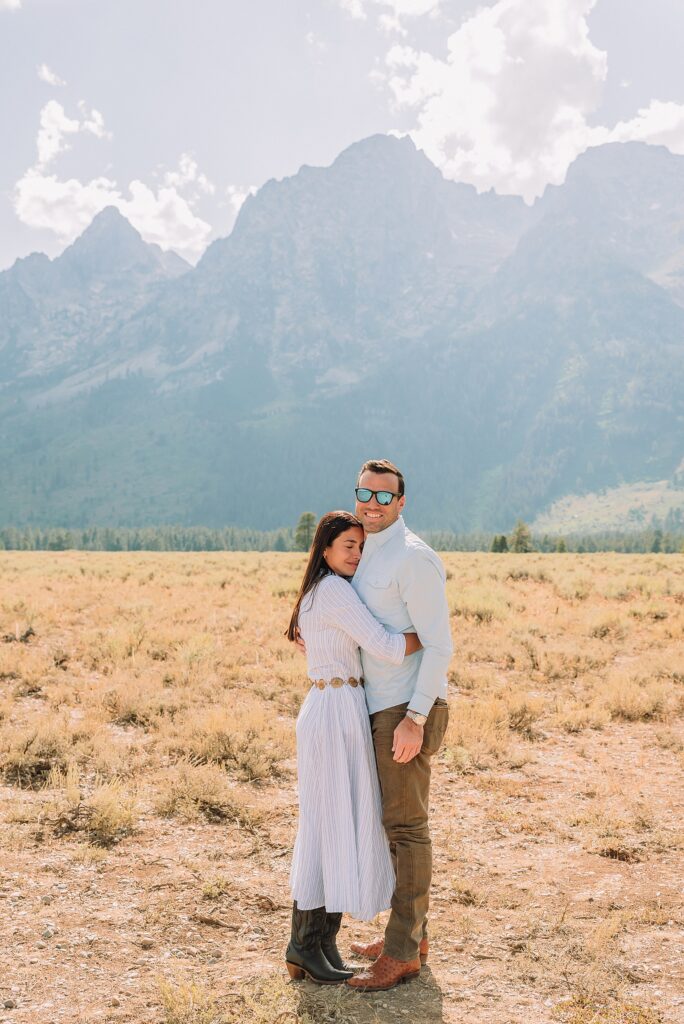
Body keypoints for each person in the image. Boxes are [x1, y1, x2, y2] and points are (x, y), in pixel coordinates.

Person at [284, 510, 423, 985]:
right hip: (335, 710)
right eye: (348, 546)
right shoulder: (335, 591)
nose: (357, 554)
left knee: (330, 822)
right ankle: (304, 944)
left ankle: (318, 943)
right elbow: (384, 645)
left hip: (333, 706)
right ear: (324, 548)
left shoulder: (319, 593)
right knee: (329, 825)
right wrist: (429, 633)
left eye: (361, 547)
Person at [345, 458, 453, 993]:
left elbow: (440, 647)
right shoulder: (365, 551)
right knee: (393, 829)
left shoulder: (413, 560)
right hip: (375, 705)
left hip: (406, 709)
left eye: (384, 497)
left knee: (408, 831)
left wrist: (413, 718)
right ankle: (408, 936)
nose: (372, 504)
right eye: (365, 494)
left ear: (402, 503)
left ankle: (403, 954)